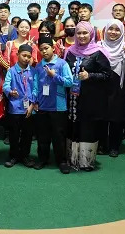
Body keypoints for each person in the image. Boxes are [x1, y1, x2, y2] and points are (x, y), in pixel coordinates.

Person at [63, 21, 111, 171]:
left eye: (85, 33)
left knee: (88, 127)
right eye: (79, 33)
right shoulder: (69, 51)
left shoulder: (98, 52)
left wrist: (89, 75)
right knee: (72, 125)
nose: (82, 36)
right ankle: (72, 159)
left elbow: (107, 75)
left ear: (91, 34)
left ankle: (86, 162)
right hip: (71, 98)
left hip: (90, 98)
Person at [32, 33, 73, 173]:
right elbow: (36, 86)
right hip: (42, 106)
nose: (44, 51)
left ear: (53, 48)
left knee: (59, 136)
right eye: (41, 49)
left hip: (58, 107)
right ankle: (43, 159)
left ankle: (62, 161)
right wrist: (35, 101)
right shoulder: (38, 67)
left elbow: (69, 82)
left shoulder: (62, 63)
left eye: (47, 48)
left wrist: (54, 76)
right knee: (43, 136)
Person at [100, 20, 125, 157]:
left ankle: (114, 146)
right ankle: (102, 145)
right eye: (110, 29)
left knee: (116, 118)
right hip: (102, 87)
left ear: (122, 32)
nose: (113, 32)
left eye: (117, 30)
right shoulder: (99, 46)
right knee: (102, 117)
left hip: (119, 88)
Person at [2, 44, 35, 168]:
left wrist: (32, 105)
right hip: (15, 107)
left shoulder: (33, 71)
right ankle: (13, 156)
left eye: (28, 56)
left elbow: (36, 89)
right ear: (17, 55)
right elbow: (5, 85)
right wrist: (10, 91)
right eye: (24, 55)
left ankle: (25, 156)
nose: (26, 58)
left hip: (29, 109)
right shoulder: (11, 71)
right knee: (14, 134)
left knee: (27, 134)